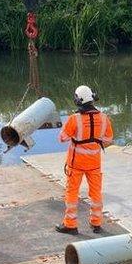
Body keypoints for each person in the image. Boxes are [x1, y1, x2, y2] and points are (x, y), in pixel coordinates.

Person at [56, 85, 113, 235]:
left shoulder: (74, 119)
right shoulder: (104, 118)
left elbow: (62, 138)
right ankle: (96, 223)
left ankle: (70, 224)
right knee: (96, 193)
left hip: (76, 164)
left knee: (72, 193)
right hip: (94, 163)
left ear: (78, 100)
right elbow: (108, 140)